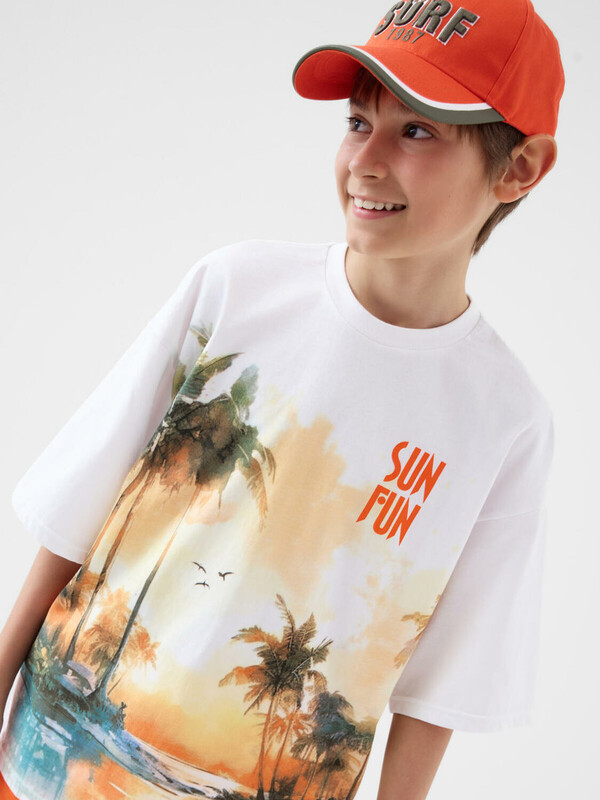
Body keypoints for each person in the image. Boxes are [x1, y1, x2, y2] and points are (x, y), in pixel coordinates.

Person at [0, 0, 564, 798]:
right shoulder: (237, 288)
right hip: (35, 774)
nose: (367, 160)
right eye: (358, 122)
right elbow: (78, 508)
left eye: (416, 131)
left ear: (520, 168)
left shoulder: (505, 420)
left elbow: (445, 682)